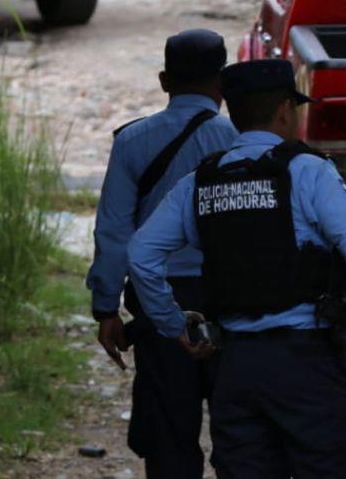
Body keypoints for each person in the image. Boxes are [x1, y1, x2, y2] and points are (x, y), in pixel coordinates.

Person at [127, 59, 346, 478]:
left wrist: (173, 323)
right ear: (284, 111)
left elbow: (141, 254)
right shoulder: (308, 172)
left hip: (235, 368)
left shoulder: (200, 182)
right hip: (307, 363)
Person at [86, 29, 239, 478]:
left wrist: (105, 308)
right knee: (240, 430)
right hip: (232, 299)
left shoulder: (132, 142)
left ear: (163, 80)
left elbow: (114, 232)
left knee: (169, 430)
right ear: (222, 84)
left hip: (159, 303)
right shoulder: (240, 141)